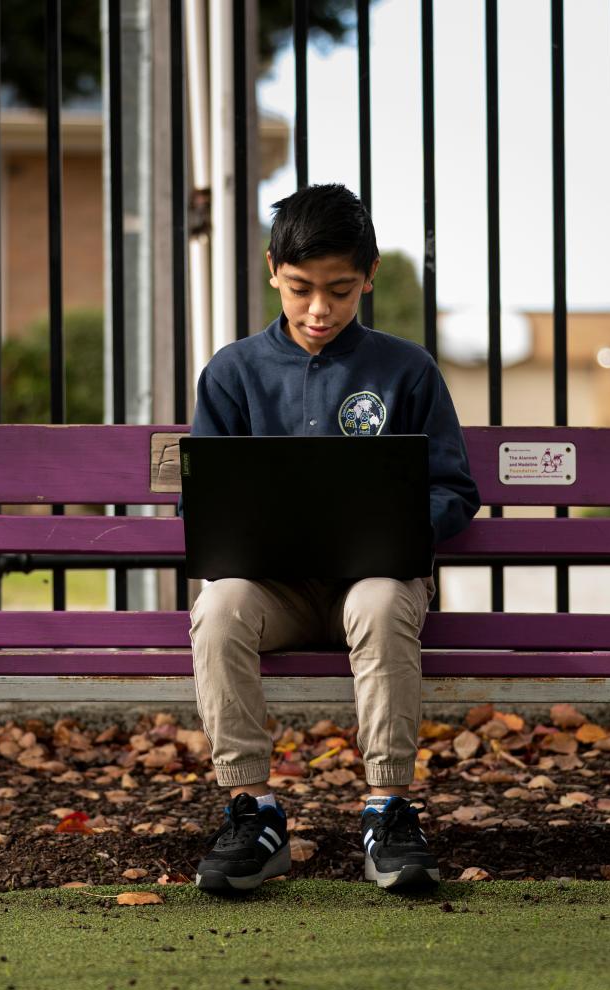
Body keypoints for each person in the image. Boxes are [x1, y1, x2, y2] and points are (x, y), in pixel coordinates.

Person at [186, 183, 480, 893]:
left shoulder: (406, 370)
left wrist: (411, 524)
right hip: (273, 589)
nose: (320, 309)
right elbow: (209, 496)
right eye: (300, 289)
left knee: (381, 603)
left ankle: (387, 806)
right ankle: (251, 809)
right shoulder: (233, 374)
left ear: (370, 275)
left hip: (373, 578)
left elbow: (455, 488)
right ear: (271, 271)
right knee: (219, 608)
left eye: (341, 291)